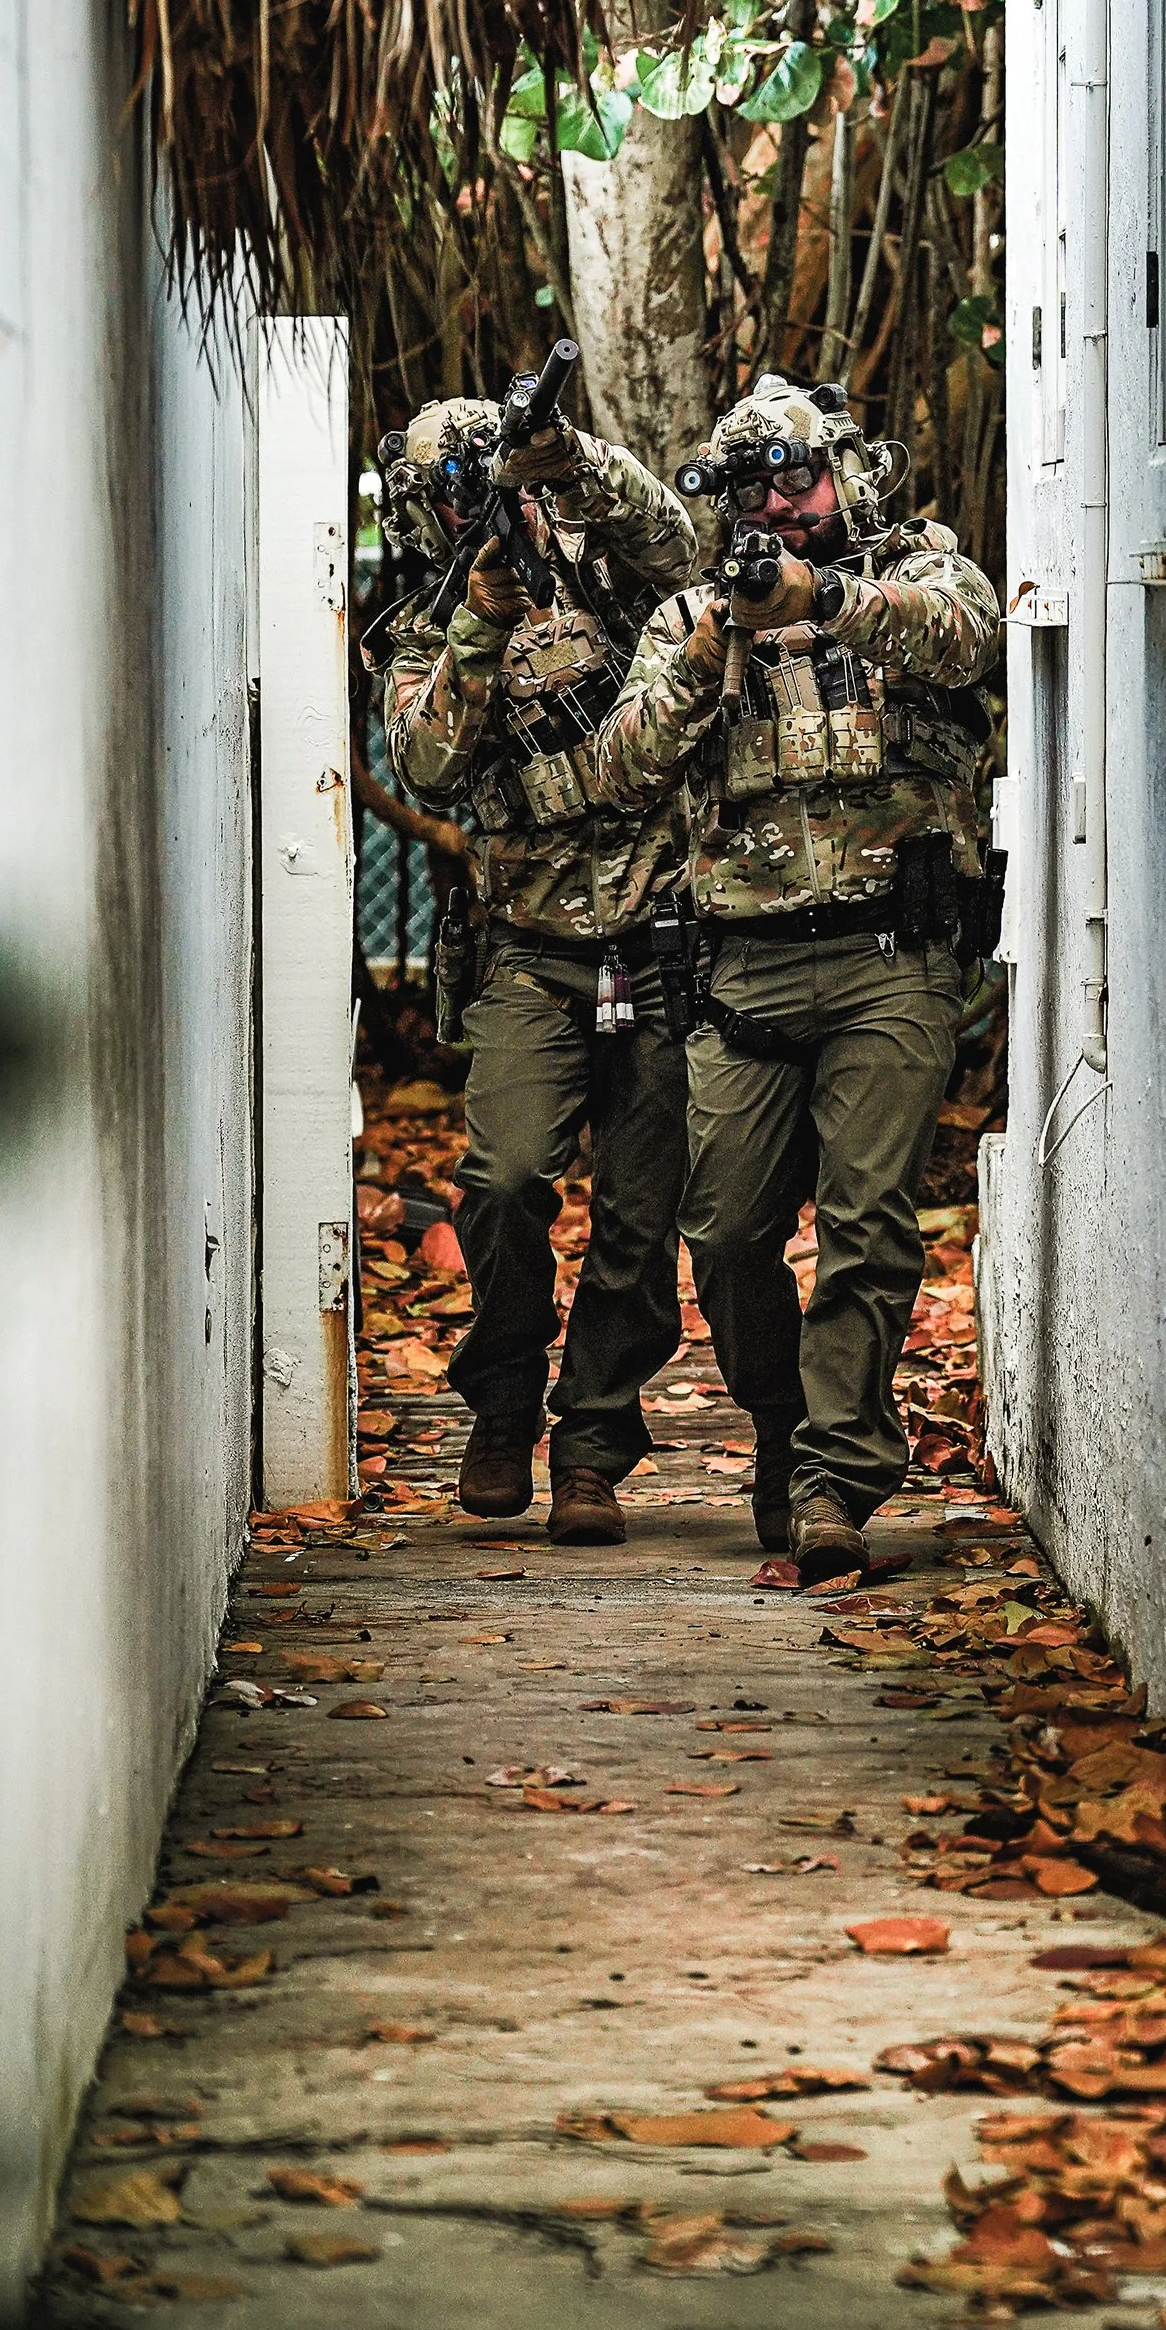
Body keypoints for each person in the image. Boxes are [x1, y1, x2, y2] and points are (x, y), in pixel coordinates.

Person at [572, 376, 1003, 1585]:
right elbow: (618, 766)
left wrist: (831, 599)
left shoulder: (921, 568)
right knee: (724, 1240)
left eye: (799, 479)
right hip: (744, 970)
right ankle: (782, 1428)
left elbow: (966, 638)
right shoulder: (693, 617)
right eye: (754, 489)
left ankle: (835, 1481)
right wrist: (715, 642)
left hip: (891, 963)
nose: (780, 507)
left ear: (846, 473)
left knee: (866, 1225)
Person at [379, 384, 698, 1545]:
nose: (487, 511)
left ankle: (595, 1442)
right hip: (526, 948)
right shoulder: (425, 625)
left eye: (495, 483)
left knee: (639, 1215)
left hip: (661, 937)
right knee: (504, 1183)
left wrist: (571, 462)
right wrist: (479, 622)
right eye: (464, 494)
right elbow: (422, 762)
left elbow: (680, 540)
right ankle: (504, 1402)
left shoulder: (609, 570)